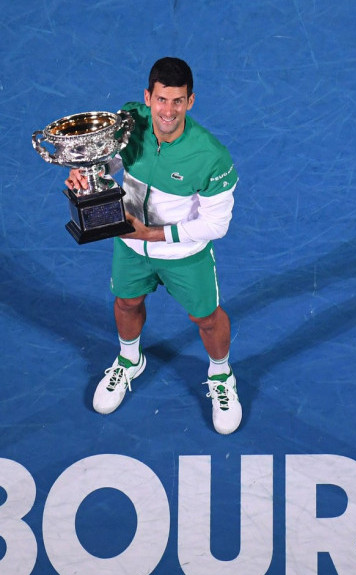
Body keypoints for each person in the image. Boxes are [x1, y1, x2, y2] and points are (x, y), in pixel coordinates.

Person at [65, 57, 242, 435]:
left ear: (190, 102)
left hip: (183, 254)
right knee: (127, 302)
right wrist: (87, 170)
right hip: (130, 246)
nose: (168, 110)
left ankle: (222, 374)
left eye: (178, 101)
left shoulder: (211, 156)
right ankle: (130, 361)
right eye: (161, 100)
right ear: (148, 97)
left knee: (206, 319)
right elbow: (111, 160)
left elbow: (217, 224)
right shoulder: (129, 122)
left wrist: (153, 235)